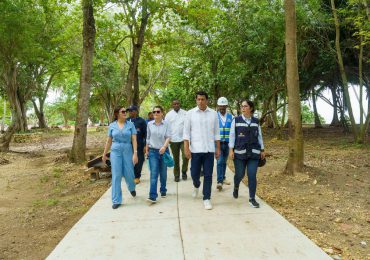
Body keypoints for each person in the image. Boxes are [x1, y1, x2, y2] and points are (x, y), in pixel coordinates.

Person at [183, 91, 220, 210]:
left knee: (208, 175)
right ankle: (196, 185)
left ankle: (207, 198)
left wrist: (218, 148)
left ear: (207, 100)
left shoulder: (213, 114)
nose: (200, 101)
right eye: (198, 99)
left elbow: (216, 133)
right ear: (196, 100)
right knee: (194, 173)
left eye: (203, 99)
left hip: (209, 150)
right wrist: (186, 148)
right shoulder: (190, 113)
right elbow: (186, 133)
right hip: (196, 150)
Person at [229, 100, 265, 208]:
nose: (243, 108)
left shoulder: (256, 121)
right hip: (240, 153)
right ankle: (236, 186)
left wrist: (262, 150)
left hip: (254, 153)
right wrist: (231, 150)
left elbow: (259, 136)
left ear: (251, 108)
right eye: (242, 106)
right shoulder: (236, 120)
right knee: (240, 174)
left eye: (245, 106)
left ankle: (252, 199)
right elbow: (232, 136)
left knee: (252, 175)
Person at [102, 106, 138, 209]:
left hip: (127, 149)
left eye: (125, 111)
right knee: (116, 175)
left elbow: (134, 140)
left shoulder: (131, 124)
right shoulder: (112, 125)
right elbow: (109, 140)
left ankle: (131, 187)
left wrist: (135, 153)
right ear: (117, 114)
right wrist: (104, 154)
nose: (125, 112)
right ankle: (116, 200)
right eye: (123, 111)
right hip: (115, 150)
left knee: (129, 173)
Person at [145, 106, 171, 204]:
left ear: (162, 113)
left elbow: (168, 137)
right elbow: (147, 138)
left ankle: (163, 189)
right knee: (154, 173)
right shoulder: (149, 124)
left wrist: (164, 147)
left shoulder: (167, 124)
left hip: (164, 151)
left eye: (158, 111)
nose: (155, 113)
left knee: (163, 173)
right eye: (154, 111)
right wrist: (147, 150)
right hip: (153, 151)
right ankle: (152, 196)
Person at [165, 99, 189, 182]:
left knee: (185, 156)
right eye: (174, 104)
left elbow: (189, 126)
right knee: (176, 159)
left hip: (184, 139)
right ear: (172, 105)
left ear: (180, 104)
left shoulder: (186, 113)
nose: (176, 105)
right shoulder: (168, 115)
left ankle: (184, 171)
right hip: (173, 140)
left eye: (177, 104)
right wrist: (167, 139)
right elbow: (166, 128)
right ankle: (176, 175)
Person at [216, 97, 233, 191]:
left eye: (223, 106)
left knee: (224, 161)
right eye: (220, 106)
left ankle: (223, 177)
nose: (222, 108)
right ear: (218, 106)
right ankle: (219, 181)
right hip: (218, 143)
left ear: (226, 106)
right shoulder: (214, 116)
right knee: (219, 161)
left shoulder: (231, 117)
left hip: (228, 143)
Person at [128, 105, 147, 184]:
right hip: (128, 145)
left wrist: (145, 145)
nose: (130, 112)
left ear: (136, 111)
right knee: (129, 161)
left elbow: (146, 134)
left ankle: (137, 176)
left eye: (131, 111)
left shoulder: (141, 121)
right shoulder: (126, 121)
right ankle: (131, 176)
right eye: (129, 111)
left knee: (139, 161)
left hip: (139, 145)